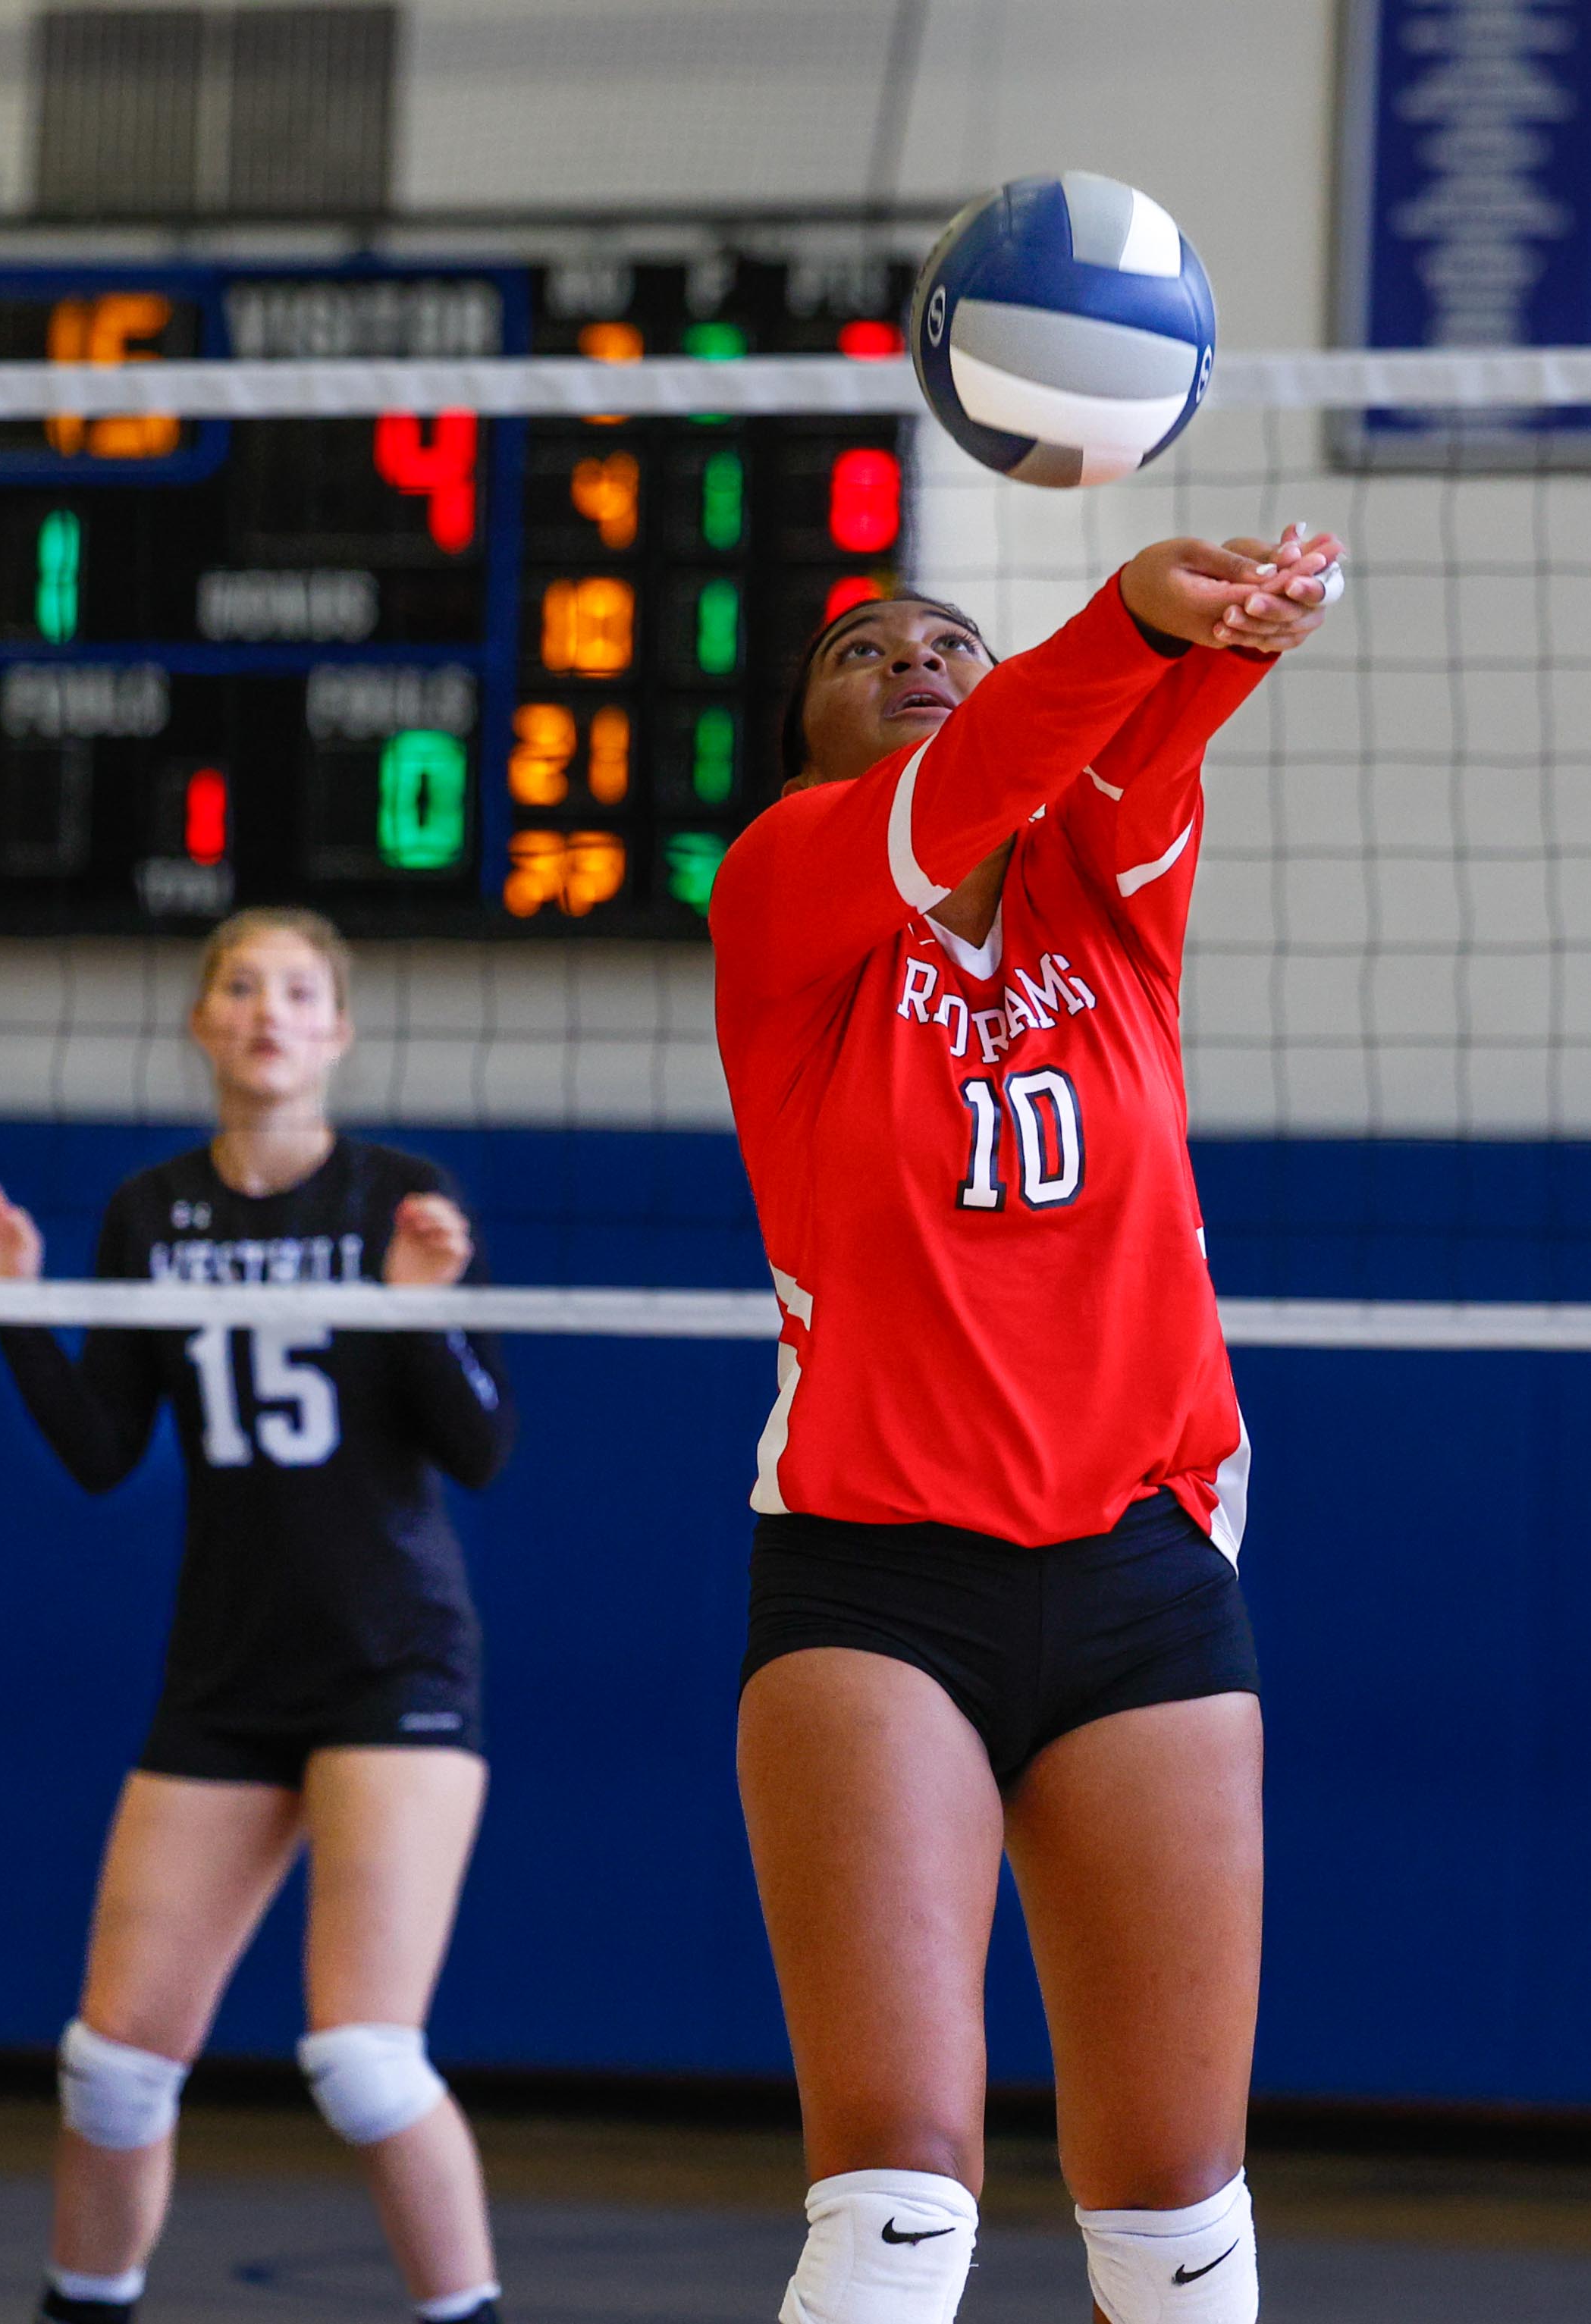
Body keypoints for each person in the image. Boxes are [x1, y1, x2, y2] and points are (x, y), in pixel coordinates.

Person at [708, 527, 1342, 2324]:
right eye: (860, 650)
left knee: (1178, 2225)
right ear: (802, 742)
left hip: (1141, 1580)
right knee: (901, 2206)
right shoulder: (785, 892)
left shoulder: (1109, 888)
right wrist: (1134, 618)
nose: (914, 657)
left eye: (949, 641)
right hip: (876, 1583)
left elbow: (1129, 749)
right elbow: (982, 772)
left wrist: (1222, 639)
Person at [0, 908, 517, 2324]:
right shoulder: (150, 1212)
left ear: (339, 1031)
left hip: (397, 1663)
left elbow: (482, 1446)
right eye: (240, 986)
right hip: (227, 1668)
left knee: (366, 2056)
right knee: (115, 2062)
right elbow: (99, 1450)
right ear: (204, 1023)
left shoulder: (400, 1195)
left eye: (299, 989)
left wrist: (417, 1310)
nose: (268, 1009)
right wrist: (16, 1306)